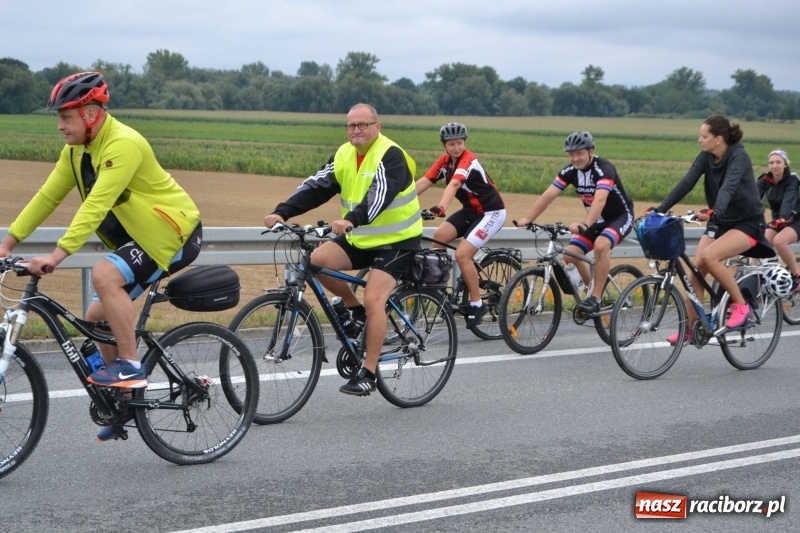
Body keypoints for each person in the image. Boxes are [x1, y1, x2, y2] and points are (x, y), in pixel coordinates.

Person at [0, 72, 202, 440]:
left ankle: (130, 366)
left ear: (91, 113)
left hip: (172, 234)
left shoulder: (123, 144)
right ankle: (124, 404)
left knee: (105, 275)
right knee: (96, 319)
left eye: (66, 117)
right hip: (138, 238)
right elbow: (47, 196)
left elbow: (95, 206)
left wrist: (57, 256)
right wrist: (9, 241)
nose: (60, 126)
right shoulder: (76, 151)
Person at [263, 103, 422, 397]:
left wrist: (352, 219)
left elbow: (379, 194)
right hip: (361, 236)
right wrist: (282, 211)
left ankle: (369, 373)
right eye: (351, 126)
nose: (357, 130)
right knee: (317, 261)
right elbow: (316, 186)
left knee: (375, 298)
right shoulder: (344, 154)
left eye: (363, 125)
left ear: (378, 126)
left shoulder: (391, 155)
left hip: (396, 241)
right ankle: (354, 310)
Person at [650, 115, 772, 344]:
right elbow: (687, 182)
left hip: (748, 223)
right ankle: (691, 328)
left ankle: (740, 304)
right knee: (697, 269)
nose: (699, 140)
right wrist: (660, 209)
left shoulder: (739, 156)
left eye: (704, 136)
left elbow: (729, 186)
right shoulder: (706, 157)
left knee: (709, 256)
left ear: (718, 139)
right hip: (721, 221)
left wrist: (715, 210)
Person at [516, 131, 635, 316]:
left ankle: (596, 298)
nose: (575, 158)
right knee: (571, 255)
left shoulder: (604, 169)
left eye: (579, 153)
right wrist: (529, 218)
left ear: (591, 151)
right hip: (597, 221)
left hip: (619, 217)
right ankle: (591, 292)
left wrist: (585, 223)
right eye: (571, 154)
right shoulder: (570, 172)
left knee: (601, 245)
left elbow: (600, 201)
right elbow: (549, 195)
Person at [415, 122, 506, 327]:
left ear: (464, 143)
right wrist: (400, 203)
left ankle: (476, 304)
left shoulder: (468, 160)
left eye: (459, 143)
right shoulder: (444, 162)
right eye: (451, 144)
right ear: (444, 146)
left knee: (462, 254)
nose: (456, 147)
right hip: (470, 212)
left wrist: (441, 207)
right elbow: (425, 181)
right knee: (438, 237)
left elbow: (455, 184)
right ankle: (439, 291)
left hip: (492, 213)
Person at [757, 149, 800, 293]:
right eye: (771, 162)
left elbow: (789, 200)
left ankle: (796, 277)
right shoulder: (766, 180)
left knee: (779, 241)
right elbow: (752, 198)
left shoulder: (793, 180)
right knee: (759, 243)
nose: (774, 165)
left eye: (778, 162)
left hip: (795, 219)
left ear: (785, 164)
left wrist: (783, 218)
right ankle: (758, 278)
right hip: (778, 220)